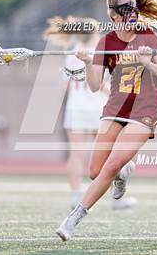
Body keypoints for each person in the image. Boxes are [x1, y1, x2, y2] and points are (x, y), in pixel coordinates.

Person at [56, 0, 157, 241]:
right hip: (115, 107)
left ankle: (74, 219)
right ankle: (123, 173)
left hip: (144, 108)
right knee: (96, 170)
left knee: (112, 163)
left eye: (134, 7)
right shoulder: (106, 42)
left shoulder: (148, 35)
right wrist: (86, 61)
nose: (132, 12)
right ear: (113, 15)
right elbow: (95, 86)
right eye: (126, 8)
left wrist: (147, 61)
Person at [43, 16, 135, 210]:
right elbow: (101, 85)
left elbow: (69, 86)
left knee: (77, 154)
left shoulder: (71, 55)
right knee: (109, 155)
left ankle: (75, 196)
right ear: (93, 33)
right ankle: (115, 199)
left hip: (76, 109)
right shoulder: (101, 54)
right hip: (99, 109)